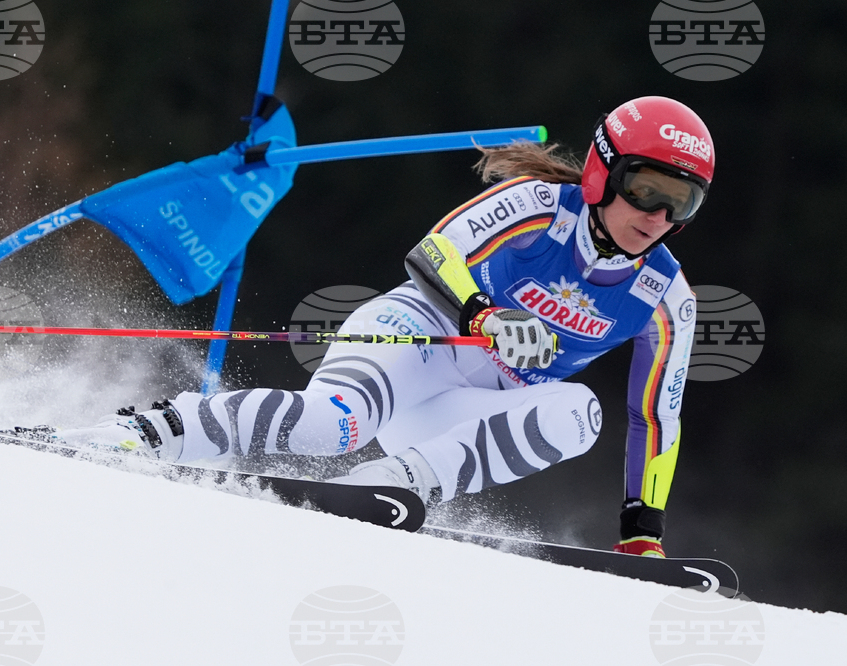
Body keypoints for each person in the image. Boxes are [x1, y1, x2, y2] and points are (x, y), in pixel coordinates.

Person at [59, 96, 711, 558]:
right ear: (604, 171)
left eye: (679, 201)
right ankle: (141, 433)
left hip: (467, 405)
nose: (656, 214)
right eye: (646, 187)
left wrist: (642, 533)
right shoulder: (539, 207)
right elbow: (432, 254)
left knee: (580, 414)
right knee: (335, 425)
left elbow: (654, 419)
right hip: (417, 336)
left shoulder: (666, 298)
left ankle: (398, 484)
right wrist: (484, 314)